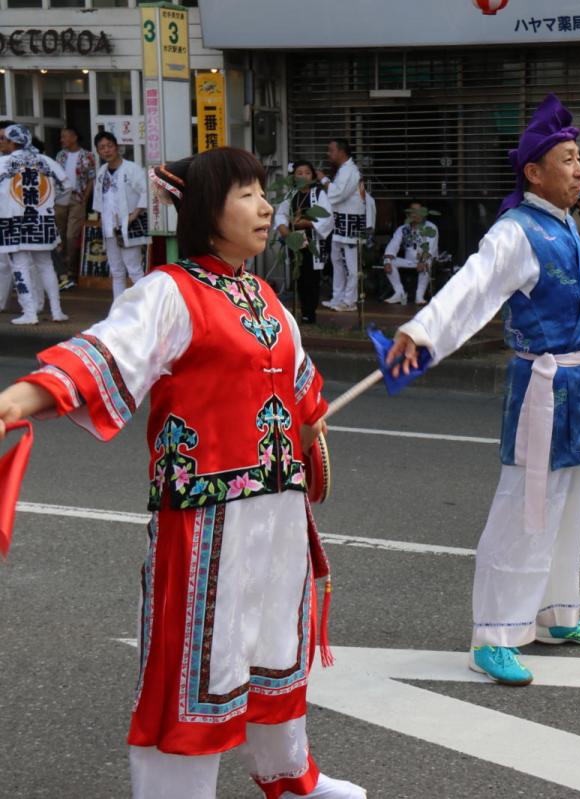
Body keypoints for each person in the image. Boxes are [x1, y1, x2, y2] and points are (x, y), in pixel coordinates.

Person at [0, 147, 364, 799]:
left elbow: (302, 392)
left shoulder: (264, 295)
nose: (264, 206)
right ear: (205, 213)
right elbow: (103, 355)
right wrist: (17, 401)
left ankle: (289, 775)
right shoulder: (169, 291)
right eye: (246, 194)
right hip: (206, 516)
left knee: (275, 647)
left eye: (263, 192)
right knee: (195, 664)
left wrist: (310, 426)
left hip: (277, 510)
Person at [387, 94, 580, 687]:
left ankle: (555, 615)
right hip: (542, 388)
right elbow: (471, 288)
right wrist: (422, 329)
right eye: (569, 160)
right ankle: (493, 636)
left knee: (569, 506)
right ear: (534, 172)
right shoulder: (515, 232)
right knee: (525, 508)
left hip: (579, 383)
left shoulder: (565, 225)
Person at [0, 124, 69, 325]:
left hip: (13, 222)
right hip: (42, 220)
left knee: (20, 266)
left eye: (4, 139)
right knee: (46, 265)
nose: (2, 142)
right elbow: (66, 186)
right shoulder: (45, 161)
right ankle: (57, 311)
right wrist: (48, 203)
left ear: (12, 142)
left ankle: (30, 313)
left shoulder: (4, 163)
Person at [274, 160, 332, 324]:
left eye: (307, 173)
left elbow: (327, 217)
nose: (303, 176)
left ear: (312, 176)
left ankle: (309, 313)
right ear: (293, 177)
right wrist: (284, 229)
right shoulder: (290, 194)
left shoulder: (318, 194)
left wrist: (309, 223)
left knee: (311, 278)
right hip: (295, 241)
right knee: (298, 276)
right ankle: (301, 311)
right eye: (299, 173)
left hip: (313, 242)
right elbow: (281, 215)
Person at [93, 131, 149, 300]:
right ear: (98, 151)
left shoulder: (131, 168)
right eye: (102, 147)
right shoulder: (102, 172)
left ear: (117, 147)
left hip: (128, 225)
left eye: (109, 146)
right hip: (110, 227)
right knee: (116, 271)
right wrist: (101, 220)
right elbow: (99, 199)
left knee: (134, 269)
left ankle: (145, 306)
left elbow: (146, 191)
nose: (106, 150)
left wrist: (134, 214)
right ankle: (117, 309)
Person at [317, 139, 365, 312]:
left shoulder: (349, 170)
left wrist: (323, 179)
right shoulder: (344, 169)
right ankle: (337, 297)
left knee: (351, 265)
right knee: (336, 260)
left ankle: (349, 301)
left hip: (350, 223)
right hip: (342, 221)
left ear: (341, 152)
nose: (328, 154)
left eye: (331, 150)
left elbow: (337, 194)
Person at [53, 126, 96, 289]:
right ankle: (60, 272)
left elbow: (91, 178)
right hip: (59, 199)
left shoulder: (87, 155)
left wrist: (85, 198)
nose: (62, 140)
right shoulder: (60, 155)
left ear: (74, 137)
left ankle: (70, 270)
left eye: (65, 136)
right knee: (59, 235)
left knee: (72, 235)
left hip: (77, 198)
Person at [382, 201, 438, 305]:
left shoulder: (431, 227)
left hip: (426, 260)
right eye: (413, 211)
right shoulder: (403, 229)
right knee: (389, 261)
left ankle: (419, 296)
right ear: (408, 214)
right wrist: (387, 260)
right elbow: (393, 245)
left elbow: (430, 248)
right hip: (410, 261)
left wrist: (422, 261)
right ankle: (399, 293)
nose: (416, 214)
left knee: (427, 262)